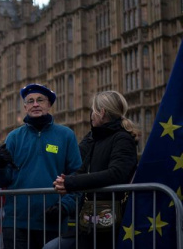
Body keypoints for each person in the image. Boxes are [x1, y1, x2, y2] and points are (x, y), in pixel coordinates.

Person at [43, 90, 139, 249]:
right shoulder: (95, 138)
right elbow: (78, 165)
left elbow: (116, 174)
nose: (91, 115)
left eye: (93, 111)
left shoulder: (122, 139)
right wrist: (64, 180)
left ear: (102, 113)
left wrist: (71, 182)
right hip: (88, 221)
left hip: (111, 222)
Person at [0, 83, 82, 249]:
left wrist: (65, 207)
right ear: (25, 107)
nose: (35, 104)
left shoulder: (66, 135)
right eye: (30, 101)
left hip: (53, 222)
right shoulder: (14, 137)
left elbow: (77, 177)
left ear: (49, 104)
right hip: (16, 222)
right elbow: (2, 181)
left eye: (40, 100)